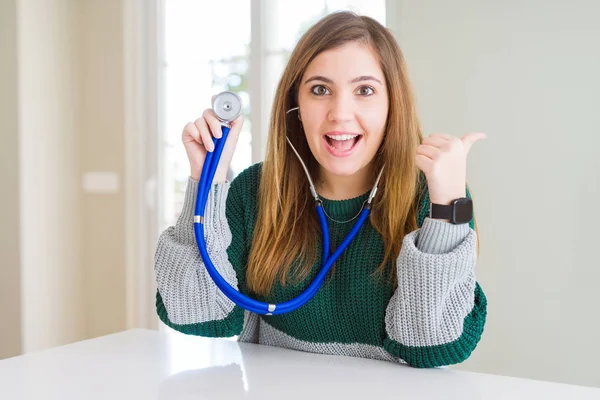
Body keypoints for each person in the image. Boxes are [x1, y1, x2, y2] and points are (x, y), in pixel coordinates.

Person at [154, 11, 487, 368]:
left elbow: (432, 344)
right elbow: (195, 314)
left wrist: (448, 208)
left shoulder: (433, 195)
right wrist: (206, 183)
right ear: (296, 106)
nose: (340, 113)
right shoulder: (253, 191)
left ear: (393, 105)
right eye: (320, 89)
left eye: (365, 90)